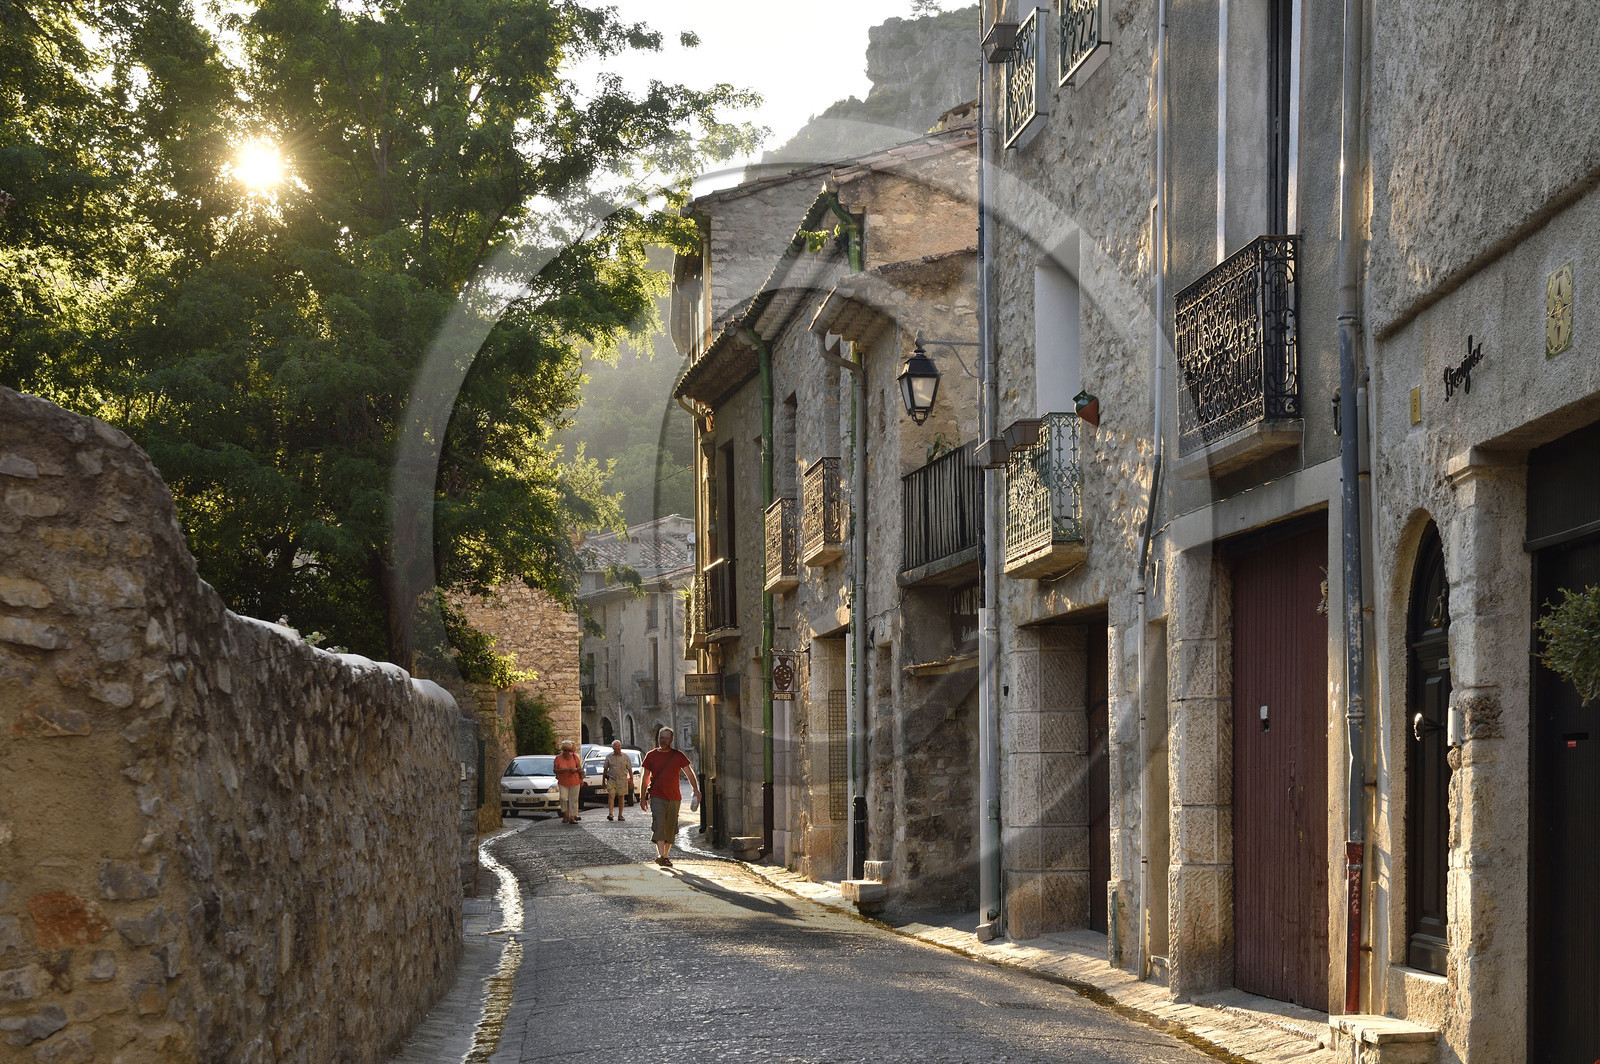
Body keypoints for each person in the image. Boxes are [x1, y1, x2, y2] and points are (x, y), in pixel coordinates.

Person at [639, 727, 701, 867]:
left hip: (674, 797)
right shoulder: (651, 755)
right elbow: (645, 777)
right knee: (659, 824)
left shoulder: (678, 756)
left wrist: (696, 790)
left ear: (672, 740)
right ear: (658, 738)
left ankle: (664, 856)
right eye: (661, 738)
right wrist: (642, 797)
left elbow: (689, 774)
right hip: (657, 796)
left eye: (666, 738)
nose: (663, 740)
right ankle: (661, 855)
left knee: (671, 827)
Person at [553, 740, 584, 824]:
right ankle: (565, 814)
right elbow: (555, 770)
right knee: (563, 798)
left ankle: (572, 817)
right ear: (563, 750)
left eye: (569, 750)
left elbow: (579, 768)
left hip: (574, 781)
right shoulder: (558, 758)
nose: (567, 752)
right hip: (563, 782)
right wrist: (563, 770)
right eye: (565, 750)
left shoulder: (574, 757)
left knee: (573, 800)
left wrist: (575, 769)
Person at [603, 740, 633, 821]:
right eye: (616, 746)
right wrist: (603, 782)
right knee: (611, 795)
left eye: (619, 746)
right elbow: (605, 770)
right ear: (613, 748)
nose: (618, 747)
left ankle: (620, 815)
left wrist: (631, 780)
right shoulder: (609, 757)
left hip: (622, 780)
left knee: (621, 797)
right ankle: (611, 814)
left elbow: (630, 769)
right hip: (612, 780)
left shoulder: (625, 757)